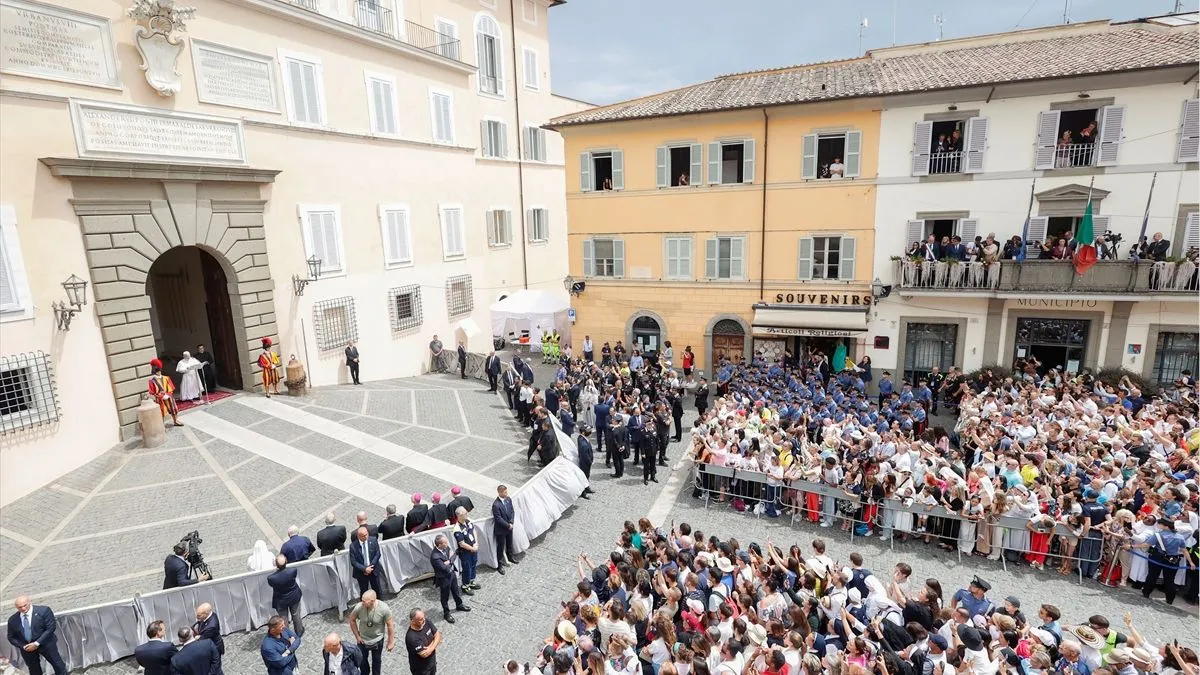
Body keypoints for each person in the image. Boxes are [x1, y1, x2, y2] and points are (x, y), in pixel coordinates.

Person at [1136, 517, 1191, 605]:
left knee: (1152, 576)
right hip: (1173, 560)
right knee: (1169, 580)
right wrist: (1191, 562)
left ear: (1165, 526)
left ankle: (1146, 593)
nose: (1157, 525)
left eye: (1159, 523)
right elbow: (1184, 550)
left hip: (1157, 557)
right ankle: (1169, 599)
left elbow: (1146, 544)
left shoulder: (1158, 535)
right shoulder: (1180, 537)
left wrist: (1132, 546)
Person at [6, 596, 67, 675]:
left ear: (29, 602)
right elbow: (11, 637)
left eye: (25, 605)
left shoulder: (44, 611)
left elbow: (50, 628)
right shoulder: (13, 619)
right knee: (34, 669)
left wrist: (36, 643)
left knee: (58, 665)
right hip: (27, 648)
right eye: (20, 607)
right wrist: (24, 646)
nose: (23, 609)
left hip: (45, 644)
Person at [349, 590, 395, 675]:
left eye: (364, 601)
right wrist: (357, 636)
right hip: (362, 640)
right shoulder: (359, 607)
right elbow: (352, 620)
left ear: (373, 601)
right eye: (362, 600)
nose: (362, 603)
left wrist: (391, 642)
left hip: (377, 640)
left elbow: (390, 625)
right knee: (362, 660)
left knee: (376, 661)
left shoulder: (384, 608)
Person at [430, 533, 471, 623]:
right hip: (444, 578)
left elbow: (454, 555)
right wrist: (450, 560)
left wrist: (449, 561)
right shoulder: (435, 556)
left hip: (451, 574)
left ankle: (459, 604)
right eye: (445, 542)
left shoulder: (445, 548)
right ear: (440, 545)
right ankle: (446, 613)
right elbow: (444, 568)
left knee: (456, 591)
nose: (447, 544)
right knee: (445, 596)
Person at [267, 554, 304, 638]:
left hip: (281, 600)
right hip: (294, 596)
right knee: (296, 615)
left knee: (283, 619)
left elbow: (271, 585)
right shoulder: (293, 571)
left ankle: (286, 635)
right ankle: (299, 631)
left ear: (276, 564)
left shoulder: (271, 578)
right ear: (286, 562)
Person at [453, 506, 481, 593]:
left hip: (473, 549)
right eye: (465, 513)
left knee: (473, 564)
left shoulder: (468, 521)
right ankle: (465, 585)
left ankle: (472, 580)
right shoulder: (457, 528)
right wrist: (472, 548)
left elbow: (473, 531)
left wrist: (475, 543)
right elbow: (462, 544)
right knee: (467, 568)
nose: (467, 514)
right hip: (465, 552)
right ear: (459, 516)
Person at [350, 526, 384, 597]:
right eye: (363, 536)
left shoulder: (373, 540)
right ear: (358, 536)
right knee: (364, 591)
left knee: (377, 589)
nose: (365, 537)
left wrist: (371, 567)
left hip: (373, 570)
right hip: (361, 573)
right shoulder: (353, 546)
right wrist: (365, 569)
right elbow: (353, 561)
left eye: (366, 534)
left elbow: (377, 554)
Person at [147, 359, 182, 427]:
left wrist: (168, 394)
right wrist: (161, 396)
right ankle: (161, 425)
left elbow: (171, 388)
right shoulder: (151, 381)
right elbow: (153, 392)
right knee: (161, 411)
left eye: (159, 370)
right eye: (156, 371)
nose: (158, 372)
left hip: (168, 396)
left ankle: (175, 421)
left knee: (173, 408)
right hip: (160, 398)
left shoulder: (166, 378)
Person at [405, 608, 440, 675]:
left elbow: (438, 635)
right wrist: (434, 644)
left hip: (432, 663)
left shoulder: (426, 622)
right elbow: (424, 654)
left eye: (423, 617)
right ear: (413, 621)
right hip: (421, 670)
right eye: (420, 620)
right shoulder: (412, 637)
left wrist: (430, 648)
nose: (423, 620)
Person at [492, 484, 519, 573]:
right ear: (499, 492)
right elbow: (498, 518)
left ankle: (510, 557)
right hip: (501, 529)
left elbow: (512, 511)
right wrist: (507, 525)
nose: (506, 493)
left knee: (509, 543)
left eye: (506, 491)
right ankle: (499, 564)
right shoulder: (496, 505)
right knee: (500, 546)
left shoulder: (508, 499)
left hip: (509, 527)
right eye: (505, 492)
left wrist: (511, 522)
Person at [577, 425, 595, 499]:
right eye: (588, 432)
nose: (590, 433)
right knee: (584, 477)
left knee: (587, 476)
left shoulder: (581, 438)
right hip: (585, 463)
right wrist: (590, 461)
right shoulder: (583, 443)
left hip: (586, 462)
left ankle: (587, 488)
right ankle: (583, 492)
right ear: (583, 433)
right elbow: (585, 456)